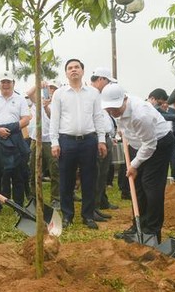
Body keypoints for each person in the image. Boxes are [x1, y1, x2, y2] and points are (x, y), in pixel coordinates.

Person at [102, 83, 174, 243]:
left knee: (151, 185)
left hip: (159, 144)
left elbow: (150, 144)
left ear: (124, 99)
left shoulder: (140, 114)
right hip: (138, 144)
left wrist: (134, 164)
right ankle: (138, 227)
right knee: (137, 186)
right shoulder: (114, 110)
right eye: (109, 108)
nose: (112, 111)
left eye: (115, 108)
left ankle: (152, 232)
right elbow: (126, 130)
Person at [49, 59, 107, 230]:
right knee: (66, 180)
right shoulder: (59, 94)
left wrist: (101, 140)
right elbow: (55, 119)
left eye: (77, 67)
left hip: (89, 140)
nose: (73, 70)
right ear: (66, 73)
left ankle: (88, 215)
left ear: (83, 71)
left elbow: (98, 117)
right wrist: (54, 142)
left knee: (89, 179)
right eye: (70, 68)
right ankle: (68, 215)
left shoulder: (93, 93)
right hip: (66, 141)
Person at [0, 72, 31, 215]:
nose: (5, 85)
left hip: (13, 141)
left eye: (8, 82)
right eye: (2, 82)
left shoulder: (20, 99)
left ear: (13, 83)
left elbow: (26, 119)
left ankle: (18, 206)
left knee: (17, 175)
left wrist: (10, 129)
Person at [89, 67, 119, 220]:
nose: (109, 85)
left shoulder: (100, 96)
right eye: (107, 81)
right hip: (96, 139)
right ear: (100, 79)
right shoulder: (89, 94)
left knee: (103, 174)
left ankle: (100, 203)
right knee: (97, 174)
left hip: (105, 137)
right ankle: (93, 208)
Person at [26, 81, 60, 208]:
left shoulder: (58, 103)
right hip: (36, 140)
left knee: (55, 170)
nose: (51, 90)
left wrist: (47, 107)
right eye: (49, 88)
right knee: (34, 170)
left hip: (51, 141)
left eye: (53, 89)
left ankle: (56, 198)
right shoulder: (38, 101)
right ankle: (34, 198)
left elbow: (52, 117)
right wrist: (38, 84)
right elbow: (29, 93)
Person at [148, 88, 175, 183]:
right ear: (152, 99)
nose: (161, 105)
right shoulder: (147, 108)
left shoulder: (160, 108)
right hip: (155, 140)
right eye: (160, 103)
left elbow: (165, 114)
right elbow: (161, 116)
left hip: (171, 138)